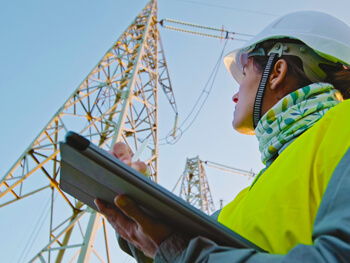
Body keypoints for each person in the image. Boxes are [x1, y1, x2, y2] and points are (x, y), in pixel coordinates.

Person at [95, 10, 350, 262]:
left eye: (245, 74)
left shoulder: (343, 125)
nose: (235, 95)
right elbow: (181, 247)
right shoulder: (247, 199)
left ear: (276, 73)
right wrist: (137, 204)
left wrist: (181, 253)